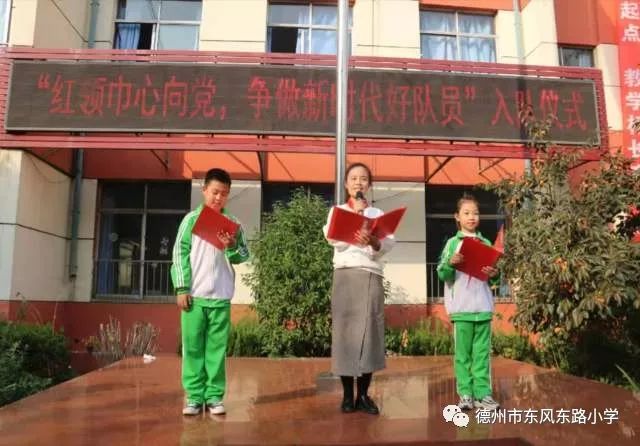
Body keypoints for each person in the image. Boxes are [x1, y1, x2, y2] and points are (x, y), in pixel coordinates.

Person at [171, 168, 249, 416]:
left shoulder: (234, 224)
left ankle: (214, 396)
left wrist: (232, 246)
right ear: (204, 190)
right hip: (194, 296)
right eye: (215, 192)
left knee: (216, 350)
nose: (218, 198)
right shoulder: (191, 220)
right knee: (193, 348)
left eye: (224, 194)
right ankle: (194, 397)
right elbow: (179, 254)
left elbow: (244, 255)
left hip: (221, 297)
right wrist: (182, 288)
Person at [323, 162, 395, 415]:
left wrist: (373, 240)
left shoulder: (377, 213)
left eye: (363, 178)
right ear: (346, 184)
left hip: (371, 275)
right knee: (345, 334)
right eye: (353, 178)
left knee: (370, 334)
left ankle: (363, 395)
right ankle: (347, 396)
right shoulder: (338, 211)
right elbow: (331, 238)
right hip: (345, 275)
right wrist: (356, 218)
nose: (358, 182)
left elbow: (387, 245)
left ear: (369, 185)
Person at [437, 192, 500, 411]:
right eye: (466, 213)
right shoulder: (452, 244)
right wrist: (450, 263)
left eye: (475, 213)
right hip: (461, 309)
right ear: (457, 217)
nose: (472, 217)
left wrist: (494, 274)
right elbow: (442, 273)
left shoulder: (486, 243)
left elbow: (494, 278)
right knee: (462, 356)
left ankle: (483, 395)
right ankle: (465, 394)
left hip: (483, 307)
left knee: (482, 355)